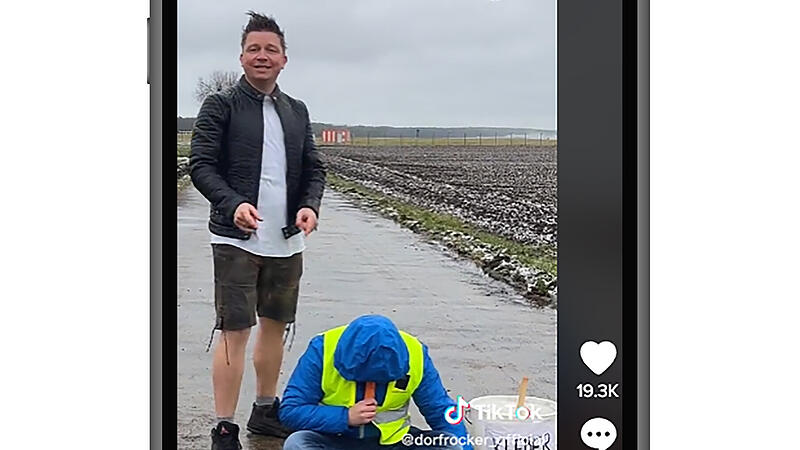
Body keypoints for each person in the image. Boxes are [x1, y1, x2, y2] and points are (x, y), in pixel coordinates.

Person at [189, 11, 326, 450]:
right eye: (254, 49)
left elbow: (313, 169)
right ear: (242, 57)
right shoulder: (220, 105)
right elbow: (202, 167)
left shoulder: (297, 111)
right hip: (235, 239)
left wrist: (308, 206)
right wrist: (234, 205)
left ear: (284, 59)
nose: (262, 56)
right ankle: (225, 426)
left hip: (287, 240)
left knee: (275, 326)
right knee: (235, 330)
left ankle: (265, 411)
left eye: (271, 49)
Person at [279, 315, 473, 450]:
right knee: (297, 443)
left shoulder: (415, 354)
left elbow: (440, 410)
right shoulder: (322, 349)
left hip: (395, 443)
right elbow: (291, 411)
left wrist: (466, 448)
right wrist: (345, 417)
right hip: (335, 441)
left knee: (450, 444)